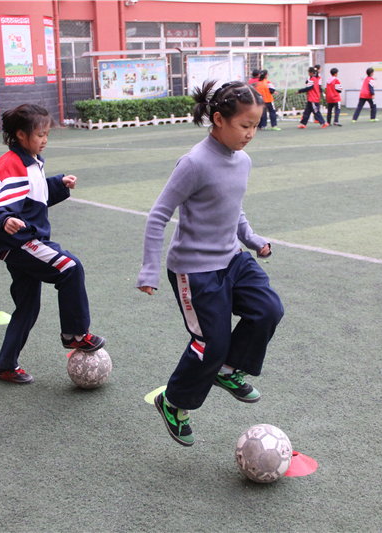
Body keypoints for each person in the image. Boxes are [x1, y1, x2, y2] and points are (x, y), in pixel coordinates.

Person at [137, 80, 284, 447]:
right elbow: (158, 216)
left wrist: (252, 239)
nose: (251, 134)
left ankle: (229, 371)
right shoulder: (194, 163)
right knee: (211, 344)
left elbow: (232, 207)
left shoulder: (243, 160)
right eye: (244, 125)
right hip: (195, 269)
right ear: (218, 119)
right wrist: (149, 269)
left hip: (233, 257)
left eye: (255, 126)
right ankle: (172, 402)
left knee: (268, 309)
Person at [0, 104, 106, 384]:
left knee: (27, 307)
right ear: (20, 135)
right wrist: (3, 221)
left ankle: (5, 364)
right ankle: (75, 334)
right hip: (20, 242)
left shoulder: (30, 161)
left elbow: (33, 193)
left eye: (47, 133)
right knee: (70, 267)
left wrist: (59, 183)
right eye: (40, 134)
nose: (45, 139)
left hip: (18, 243)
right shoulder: (12, 163)